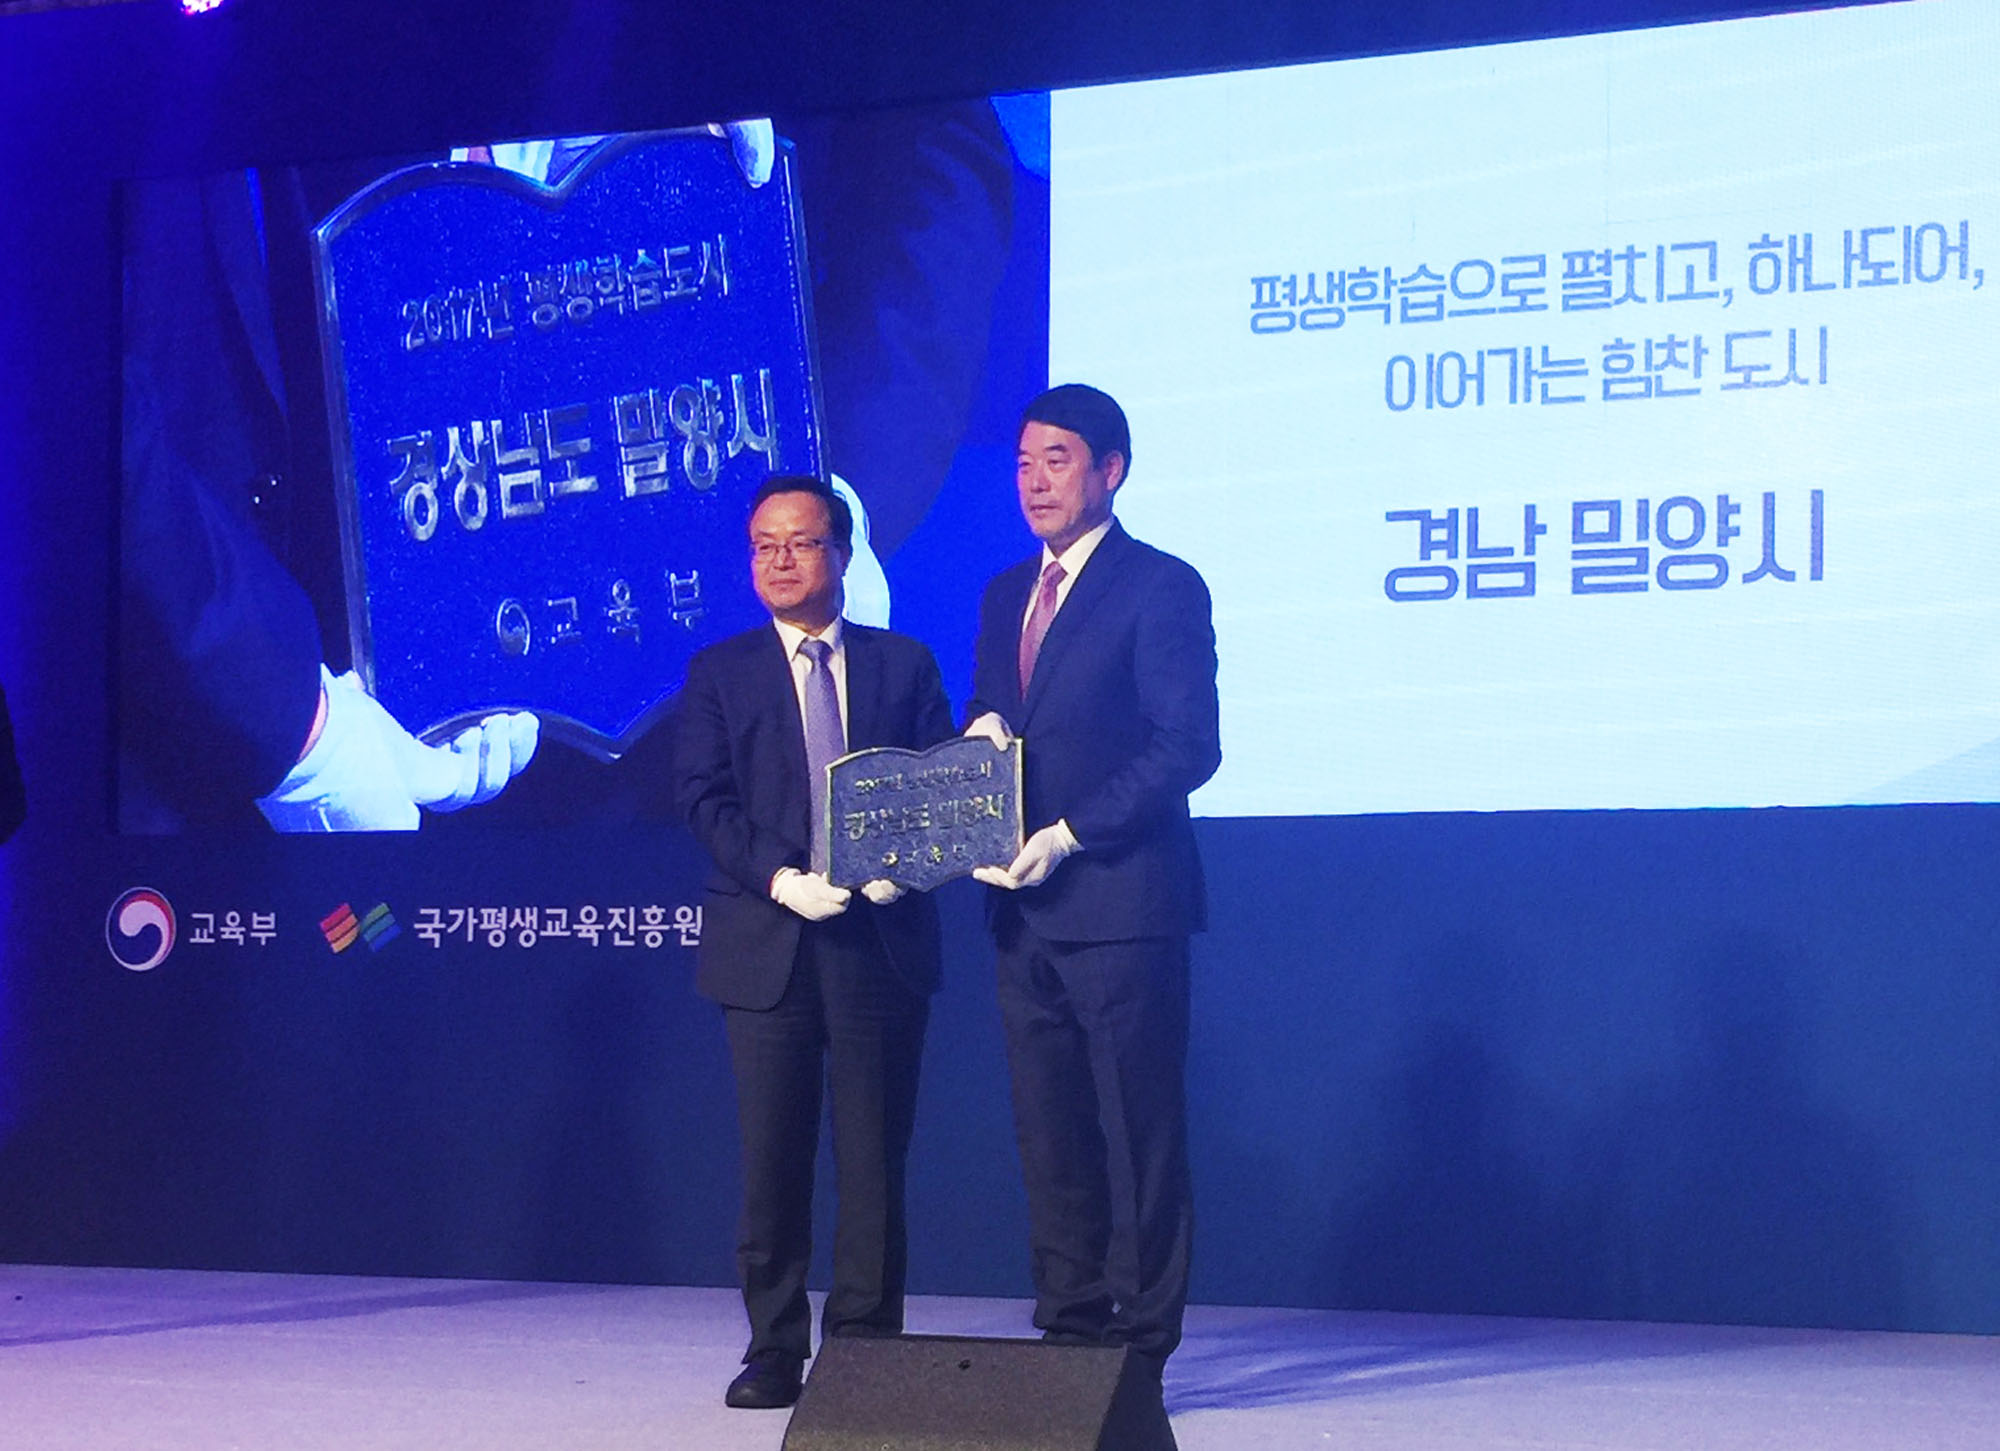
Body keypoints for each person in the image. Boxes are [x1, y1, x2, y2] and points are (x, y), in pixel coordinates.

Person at [674, 474, 953, 1409]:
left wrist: (902, 864)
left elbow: (940, 786)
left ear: (841, 552)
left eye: (799, 542)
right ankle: (773, 1347)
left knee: (874, 1158)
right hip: (767, 944)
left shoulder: (902, 664)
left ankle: (865, 1349)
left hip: (881, 940)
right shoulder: (719, 673)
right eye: (764, 546)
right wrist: (781, 877)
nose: (780, 561)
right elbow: (703, 798)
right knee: (773, 1158)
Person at [965, 384, 1220, 1379]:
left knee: (1136, 1129)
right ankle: (1070, 1329)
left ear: (1110, 470)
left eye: (1057, 460)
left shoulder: (1160, 585)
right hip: (1018, 907)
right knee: (1049, 1128)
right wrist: (982, 730)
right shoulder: (1004, 592)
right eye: (1023, 462)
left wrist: (1069, 833)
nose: (1034, 481)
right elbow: (997, 706)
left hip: (1121, 903)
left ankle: (1140, 1344)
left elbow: (1186, 746)